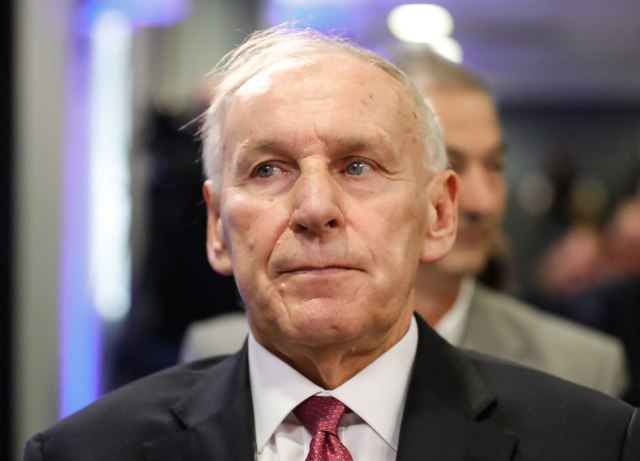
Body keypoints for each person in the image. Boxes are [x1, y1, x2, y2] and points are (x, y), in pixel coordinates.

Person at [24, 26, 639, 460]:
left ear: (438, 214)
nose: (315, 210)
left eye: (358, 166)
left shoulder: (593, 444)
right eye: (268, 169)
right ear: (216, 227)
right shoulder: (83, 452)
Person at [180, 47, 630, 400]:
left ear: (438, 208)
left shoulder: (580, 377)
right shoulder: (206, 364)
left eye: (494, 166)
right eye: (268, 170)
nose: (479, 201)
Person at [396, 49, 629, 398]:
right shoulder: (316, 354)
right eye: (449, 165)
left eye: (494, 166)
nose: (482, 202)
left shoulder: (578, 370)